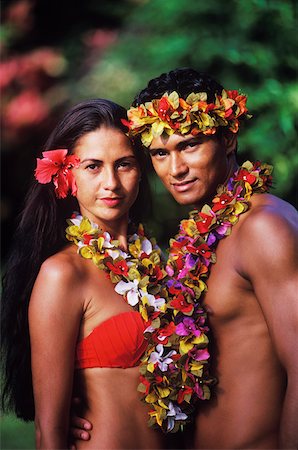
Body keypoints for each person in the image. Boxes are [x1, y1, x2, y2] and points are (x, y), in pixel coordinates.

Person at [71, 68, 298, 449]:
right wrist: (87, 406)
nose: (175, 169)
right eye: (160, 153)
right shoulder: (203, 237)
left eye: (189, 145)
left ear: (227, 138)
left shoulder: (264, 227)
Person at [1, 99, 167, 449]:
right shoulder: (62, 275)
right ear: (66, 175)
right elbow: (49, 434)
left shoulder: (160, 267)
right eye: (93, 166)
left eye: (124, 164)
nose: (111, 182)